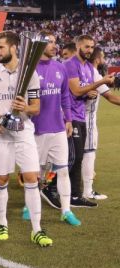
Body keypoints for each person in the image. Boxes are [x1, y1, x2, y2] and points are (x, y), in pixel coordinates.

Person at [0, 31, 52, 247]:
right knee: (1, 180)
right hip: (1, 135)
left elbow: (36, 108)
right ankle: (2, 222)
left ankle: (37, 230)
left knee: (31, 178)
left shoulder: (30, 73)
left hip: (24, 133)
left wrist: (25, 107)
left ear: (13, 48)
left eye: (1, 47)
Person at [28, 31, 81, 226]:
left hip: (58, 128)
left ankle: (66, 210)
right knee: (36, 172)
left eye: (54, 42)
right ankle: (29, 205)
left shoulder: (60, 67)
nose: (54, 45)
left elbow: (65, 96)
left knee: (63, 170)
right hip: (36, 130)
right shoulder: (29, 70)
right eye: (49, 42)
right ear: (39, 46)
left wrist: (68, 120)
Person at [61, 35, 115, 207]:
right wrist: (100, 83)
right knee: (73, 158)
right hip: (70, 117)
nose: (89, 50)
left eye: (92, 47)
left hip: (81, 116)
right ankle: (68, 193)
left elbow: (82, 92)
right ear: (78, 46)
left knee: (76, 158)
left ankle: (71, 194)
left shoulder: (87, 68)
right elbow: (76, 91)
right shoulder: (70, 64)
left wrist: (89, 92)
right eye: (86, 47)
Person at [82, 47, 120, 199]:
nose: (104, 60)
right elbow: (112, 97)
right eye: (103, 57)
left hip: (75, 117)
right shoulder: (94, 73)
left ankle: (50, 185)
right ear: (97, 59)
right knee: (89, 153)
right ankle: (87, 190)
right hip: (87, 118)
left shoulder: (83, 70)